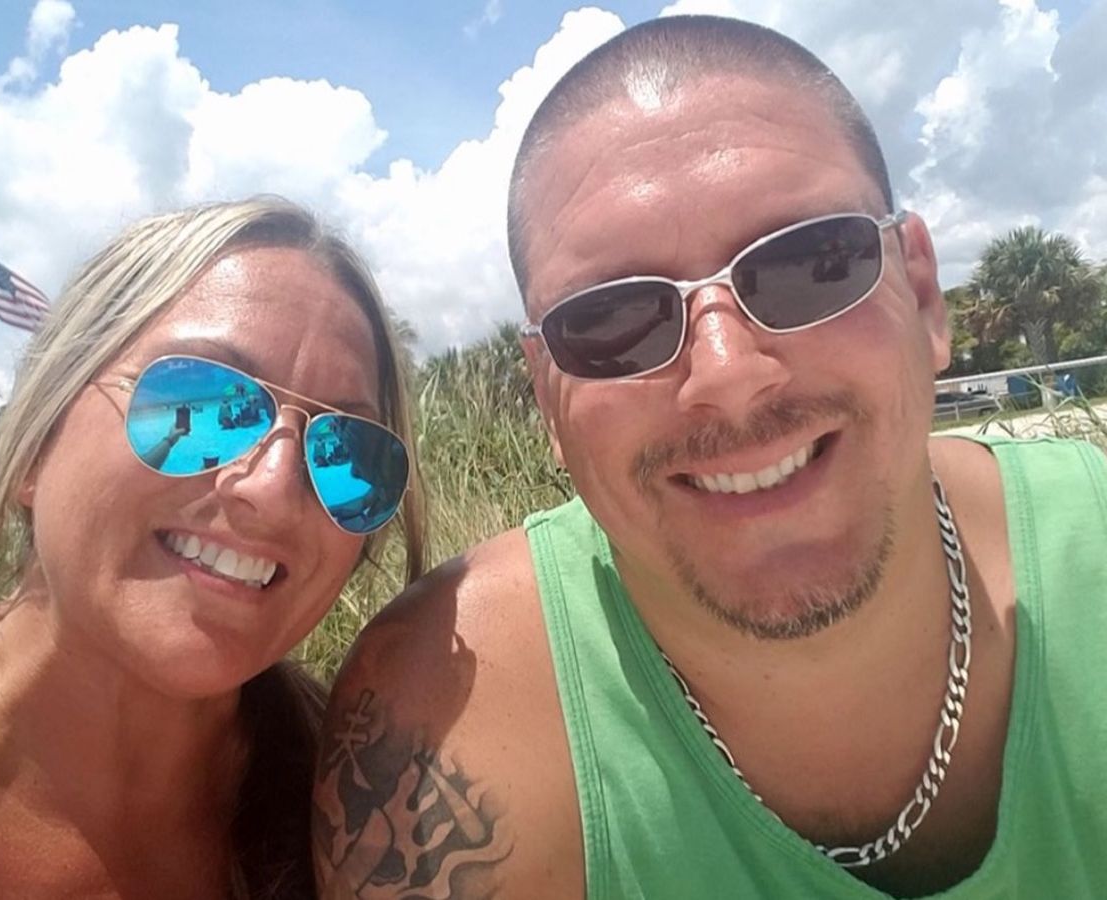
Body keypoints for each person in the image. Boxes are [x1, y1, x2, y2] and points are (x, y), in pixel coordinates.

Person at [313, 16, 1107, 900]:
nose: (727, 376)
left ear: (922, 294)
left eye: (809, 263)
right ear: (546, 398)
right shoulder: (452, 725)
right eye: (614, 321)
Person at [0, 196, 426, 899]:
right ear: (35, 446)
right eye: (199, 404)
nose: (273, 490)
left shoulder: (369, 820)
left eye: (348, 452)